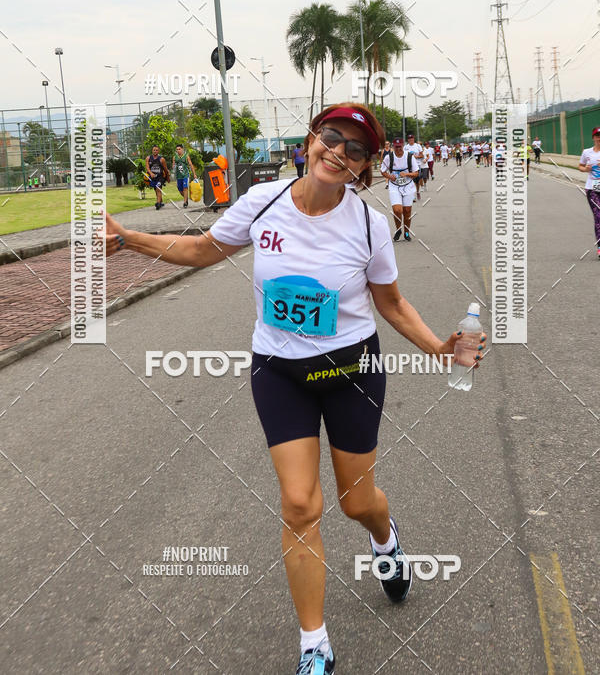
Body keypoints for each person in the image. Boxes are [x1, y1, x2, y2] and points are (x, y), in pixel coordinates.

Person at [103, 102, 486, 675]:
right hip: (279, 372)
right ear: (309, 142)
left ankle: (385, 540)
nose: (340, 152)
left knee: (357, 502)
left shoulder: (367, 224)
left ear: (365, 167)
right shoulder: (263, 202)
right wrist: (130, 238)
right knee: (301, 503)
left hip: (351, 373)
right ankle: (315, 644)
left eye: (356, 149)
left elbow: (392, 304)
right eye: (332, 137)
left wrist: (437, 347)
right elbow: (204, 250)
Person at [380, 136, 419, 241]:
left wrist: (407, 174)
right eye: (396, 147)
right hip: (395, 187)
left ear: (403, 146)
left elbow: (416, 173)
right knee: (397, 210)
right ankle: (398, 230)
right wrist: (389, 177)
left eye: (400, 146)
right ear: (393, 146)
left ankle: (406, 232)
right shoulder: (389, 157)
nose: (398, 149)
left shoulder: (409, 157)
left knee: (407, 211)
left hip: (408, 186)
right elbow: (382, 171)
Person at [578, 125, 600, 259]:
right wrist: (585, 169)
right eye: (597, 136)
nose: (599, 138)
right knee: (598, 217)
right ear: (593, 137)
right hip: (592, 188)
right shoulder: (587, 152)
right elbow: (580, 166)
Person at [172, 144, 197, 208]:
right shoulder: (175, 157)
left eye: (179, 149)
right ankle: (186, 198)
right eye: (177, 149)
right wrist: (172, 172)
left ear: (182, 149)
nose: (178, 150)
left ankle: (185, 202)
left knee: (185, 188)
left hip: (185, 175)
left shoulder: (186, 156)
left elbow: (191, 165)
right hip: (178, 176)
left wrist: (194, 174)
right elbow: (173, 166)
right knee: (180, 190)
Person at [145, 145, 170, 209]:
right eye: (154, 150)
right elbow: (147, 167)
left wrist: (168, 177)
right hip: (153, 177)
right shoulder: (148, 158)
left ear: (158, 151)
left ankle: (158, 203)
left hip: (160, 177)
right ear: (152, 150)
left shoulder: (162, 159)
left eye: (156, 150)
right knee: (156, 190)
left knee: (158, 188)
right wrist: (151, 173)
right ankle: (161, 202)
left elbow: (165, 169)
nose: (155, 151)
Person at [406, 133, 424, 199]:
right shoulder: (406, 147)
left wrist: (416, 156)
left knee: (417, 180)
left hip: (417, 164)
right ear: (408, 140)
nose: (411, 140)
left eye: (412, 139)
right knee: (411, 180)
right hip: (409, 166)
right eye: (409, 139)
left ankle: (418, 192)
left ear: (413, 139)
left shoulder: (418, 146)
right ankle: (412, 195)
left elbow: (422, 155)